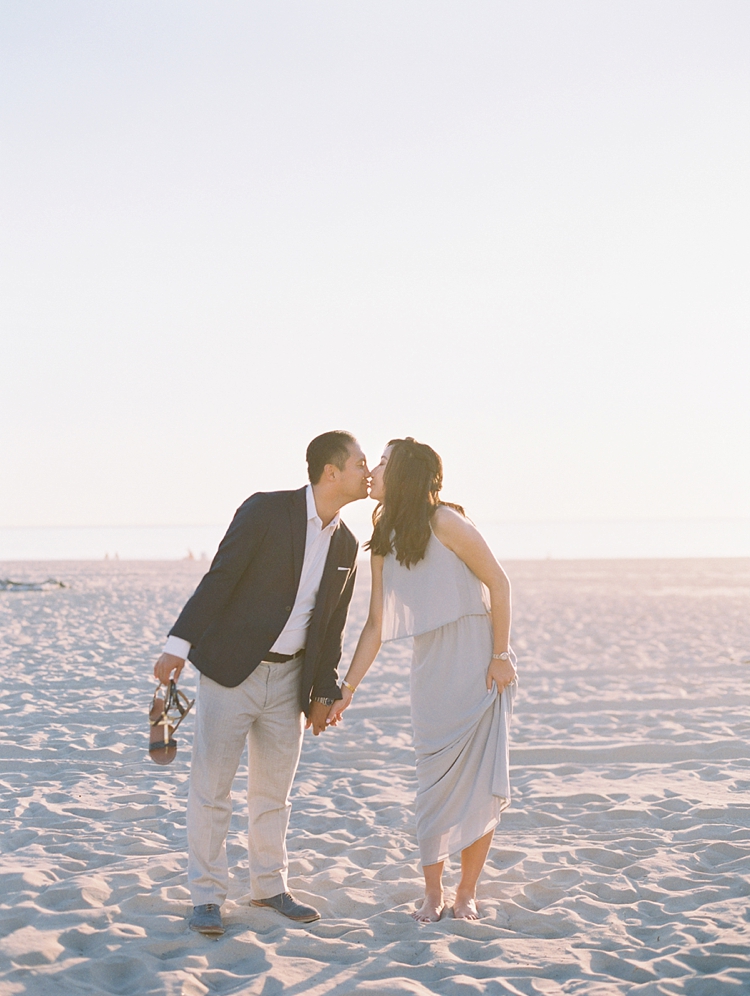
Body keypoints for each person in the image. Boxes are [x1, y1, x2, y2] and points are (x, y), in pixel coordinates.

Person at [153, 430, 369, 936]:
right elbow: (221, 576)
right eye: (361, 463)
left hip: (291, 679)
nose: (367, 472)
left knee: (274, 792)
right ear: (330, 472)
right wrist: (178, 643)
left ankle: (269, 888)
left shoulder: (347, 543)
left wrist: (323, 691)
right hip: (233, 670)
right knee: (212, 788)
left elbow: (332, 624)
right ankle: (206, 896)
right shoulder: (266, 511)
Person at [328, 437, 516, 922]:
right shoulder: (385, 542)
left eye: (383, 464)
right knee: (431, 782)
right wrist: (347, 689)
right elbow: (374, 625)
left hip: (477, 662)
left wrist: (501, 654)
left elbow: (499, 583)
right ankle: (433, 892)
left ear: (406, 475)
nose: (373, 470)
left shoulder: (448, 522)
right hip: (430, 667)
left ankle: (466, 892)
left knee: (478, 781)